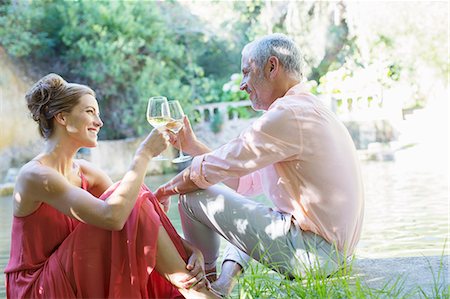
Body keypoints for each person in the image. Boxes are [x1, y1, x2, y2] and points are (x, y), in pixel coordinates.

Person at [155, 33, 364, 296]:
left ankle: (202, 287)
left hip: (315, 255)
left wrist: (164, 191)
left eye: (246, 72)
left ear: (272, 66)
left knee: (191, 195)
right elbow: (243, 181)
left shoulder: (288, 114)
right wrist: (194, 148)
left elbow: (213, 171)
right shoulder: (306, 108)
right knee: (243, 211)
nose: (242, 84)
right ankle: (222, 285)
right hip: (328, 254)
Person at [4, 73, 220, 299]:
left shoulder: (86, 172)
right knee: (129, 197)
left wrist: (188, 249)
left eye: (98, 113)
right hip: (36, 288)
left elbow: (133, 216)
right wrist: (143, 155)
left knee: (133, 197)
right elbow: (113, 217)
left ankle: (191, 288)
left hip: (71, 273)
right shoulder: (35, 176)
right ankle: (193, 290)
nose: (99, 122)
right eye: (90, 112)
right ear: (62, 118)